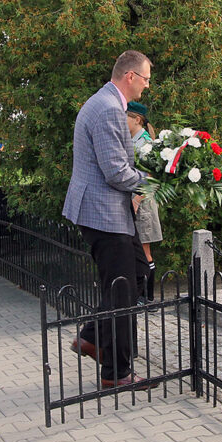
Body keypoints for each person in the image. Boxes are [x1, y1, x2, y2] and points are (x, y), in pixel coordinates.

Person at [62, 50, 155, 389]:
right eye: (145, 79)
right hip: (103, 213)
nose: (146, 87)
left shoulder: (109, 104)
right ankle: (116, 373)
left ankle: (90, 337)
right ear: (130, 76)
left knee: (138, 274)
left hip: (110, 211)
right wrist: (156, 180)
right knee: (121, 290)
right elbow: (115, 172)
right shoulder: (107, 108)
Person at [126, 101, 162, 303]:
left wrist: (137, 199)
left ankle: (147, 298)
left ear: (137, 119)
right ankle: (140, 294)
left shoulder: (145, 143)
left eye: (126, 117)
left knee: (144, 250)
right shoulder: (134, 140)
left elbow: (152, 174)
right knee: (137, 249)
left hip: (143, 202)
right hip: (136, 200)